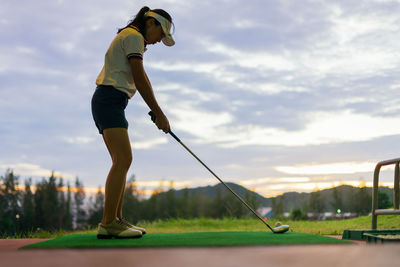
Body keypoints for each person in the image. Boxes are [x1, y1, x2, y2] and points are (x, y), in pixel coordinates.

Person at [91, 6, 174, 239]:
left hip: (112, 102)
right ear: (151, 23)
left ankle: (116, 220)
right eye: (161, 34)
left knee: (122, 161)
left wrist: (158, 113)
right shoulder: (134, 36)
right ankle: (108, 223)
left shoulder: (132, 37)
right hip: (109, 100)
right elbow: (139, 77)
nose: (160, 41)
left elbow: (141, 76)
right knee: (123, 159)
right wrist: (159, 113)